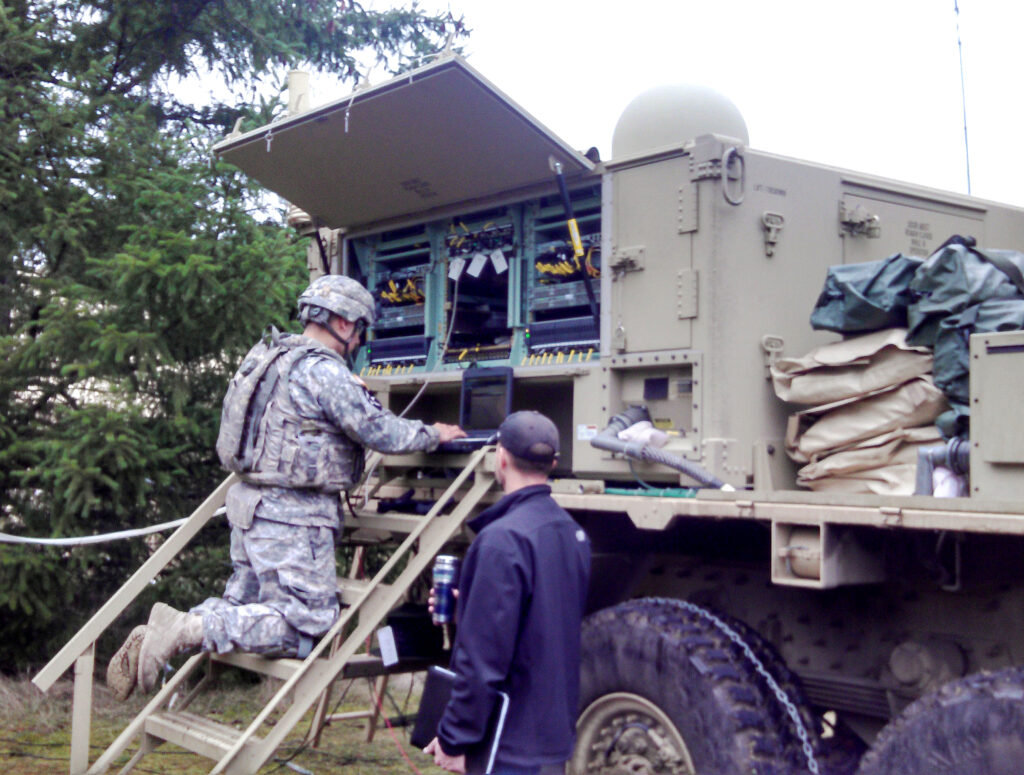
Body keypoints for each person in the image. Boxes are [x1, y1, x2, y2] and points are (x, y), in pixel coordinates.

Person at [106, 274, 465, 700]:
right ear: (346, 324)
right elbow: (382, 433)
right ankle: (184, 629)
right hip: (294, 517)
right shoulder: (325, 371)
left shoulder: (273, 357)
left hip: (250, 507)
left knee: (245, 607)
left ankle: (169, 628)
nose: (358, 343)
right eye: (360, 331)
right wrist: (435, 433)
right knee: (303, 624)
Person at [424, 411, 591, 775]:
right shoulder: (573, 533)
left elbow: (482, 660)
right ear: (554, 463)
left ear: (500, 457)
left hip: (509, 747)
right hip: (551, 743)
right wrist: (465, 609)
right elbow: (540, 622)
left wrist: (454, 740)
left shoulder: (502, 540)